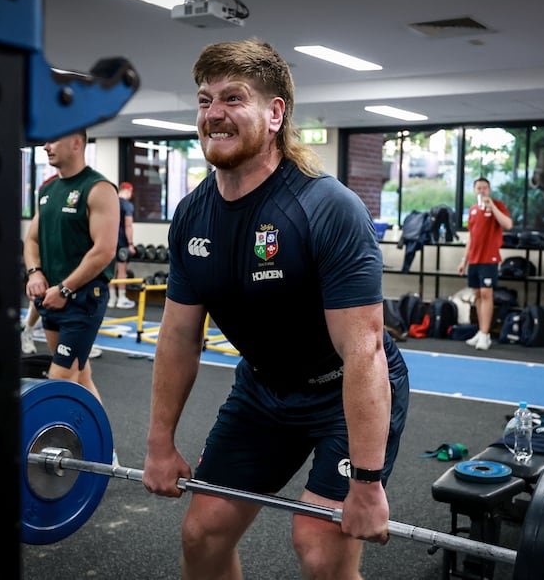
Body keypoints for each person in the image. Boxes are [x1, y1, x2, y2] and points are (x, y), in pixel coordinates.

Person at [141, 39, 410, 579]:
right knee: (202, 534)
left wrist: (366, 481)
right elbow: (177, 336)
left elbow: (363, 351)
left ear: (275, 113)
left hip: (342, 390)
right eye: (204, 99)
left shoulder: (325, 207)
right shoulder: (193, 215)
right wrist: (160, 443)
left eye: (233, 98)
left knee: (319, 546)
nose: (213, 113)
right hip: (263, 393)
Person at [22, 129, 117, 405]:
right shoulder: (47, 189)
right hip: (51, 299)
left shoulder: (98, 189)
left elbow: (104, 251)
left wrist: (64, 288)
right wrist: (34, 272)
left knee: (60, 379)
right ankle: (103, 446)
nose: (45, 146)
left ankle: (69, 445)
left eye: (52, 140)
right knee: (81, 375)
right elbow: (31, 240)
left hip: (81, 300)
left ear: (76, 143)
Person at [457, 177, 513, 350]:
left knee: (487, 294)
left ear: (489, 190)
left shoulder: (498, 205)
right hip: (474, 259)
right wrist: (464, 260)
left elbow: (508, 225)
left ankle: (485, 333)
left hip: (489, 258)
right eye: (479, 188)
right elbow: (471, 237)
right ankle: (482, 332)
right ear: (475, 190)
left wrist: (493, 207)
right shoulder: (473, 210)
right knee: (478, 296)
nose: (482, 190)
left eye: (485, 188)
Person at [108, 181, 137, 309]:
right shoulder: (127, 205)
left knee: (110, 270)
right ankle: (122, 298)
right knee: (121, 270)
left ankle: (111, 298)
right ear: (128, 191)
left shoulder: (110, 203)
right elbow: (128, 225)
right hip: (122, 242)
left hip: (109, 241)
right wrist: (130, 244)